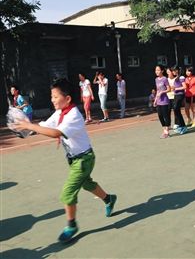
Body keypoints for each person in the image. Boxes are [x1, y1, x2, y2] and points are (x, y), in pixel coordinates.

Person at [12, 78, 117, 243]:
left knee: (67, 193)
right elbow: (47, 125)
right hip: (75, 160)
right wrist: (27, 126)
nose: (52, 100)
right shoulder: (60, 112)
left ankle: (71, 225)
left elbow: (55, 133)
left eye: (55, 97)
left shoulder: (73, 115)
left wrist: (30, 127)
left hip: (84, 159)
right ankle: (108, 199)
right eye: (51, 96)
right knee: (86, 183)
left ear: (67, 99)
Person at [154, 65, 171, 138]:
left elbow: (169, 89)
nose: (156, 72)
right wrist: (155, 100)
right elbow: (157, 90)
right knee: (160, 116)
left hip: (165, 101)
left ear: (162, 71)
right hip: (159, 101)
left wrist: (162, 92)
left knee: (165, 116)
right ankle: (164, 130)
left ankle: (166, 131)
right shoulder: (156, 79)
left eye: (158, 70)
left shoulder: (165, 79)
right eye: (156, 70)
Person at [171, 67, 188, 134]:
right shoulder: (176, 78)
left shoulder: (181, 77)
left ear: (177, 70)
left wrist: (176, 88)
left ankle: (183, 126)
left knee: (176, 109)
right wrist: (174, 89)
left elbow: (184, 87)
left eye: (174, 71)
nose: (173, 72)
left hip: (180, 95)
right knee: (176, 110)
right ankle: (180, 125)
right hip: (176, 95)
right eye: (172, 71)